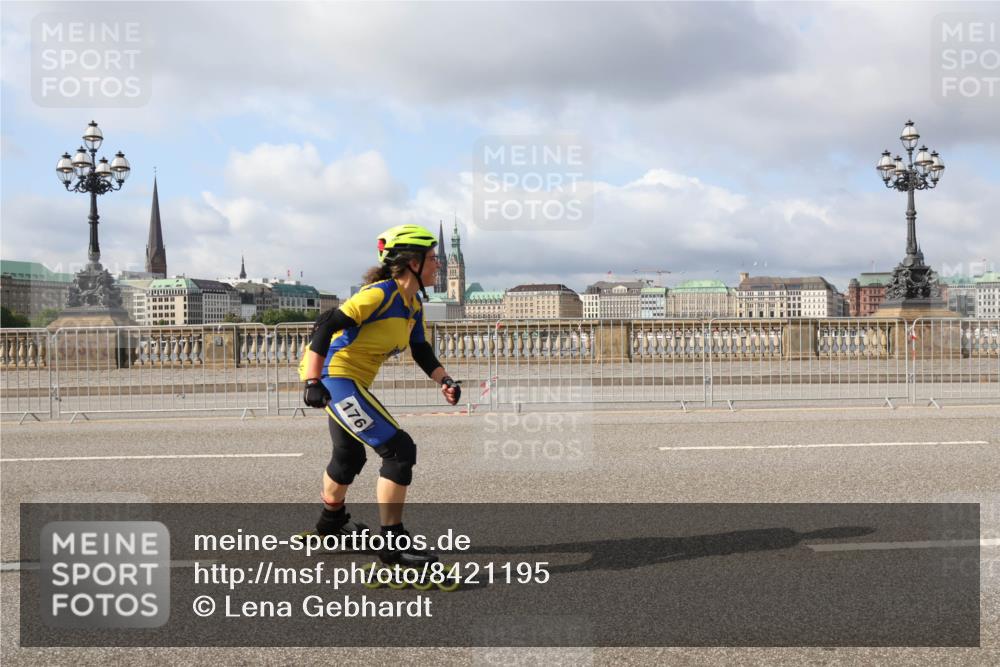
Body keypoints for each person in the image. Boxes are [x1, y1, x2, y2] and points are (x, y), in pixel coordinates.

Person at [299, 224, 461, 567]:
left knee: (349, 457)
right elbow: (326, 325)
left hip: (352, 381)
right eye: (432, 258)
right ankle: (393, 544)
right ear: (411, 262)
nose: (439, 265)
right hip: (335, 377)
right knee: (399, 450)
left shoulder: (412, 304)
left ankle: (332, 524)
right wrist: (313, 380)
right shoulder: (379, 294)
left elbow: (419, 348)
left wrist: (444, 379)